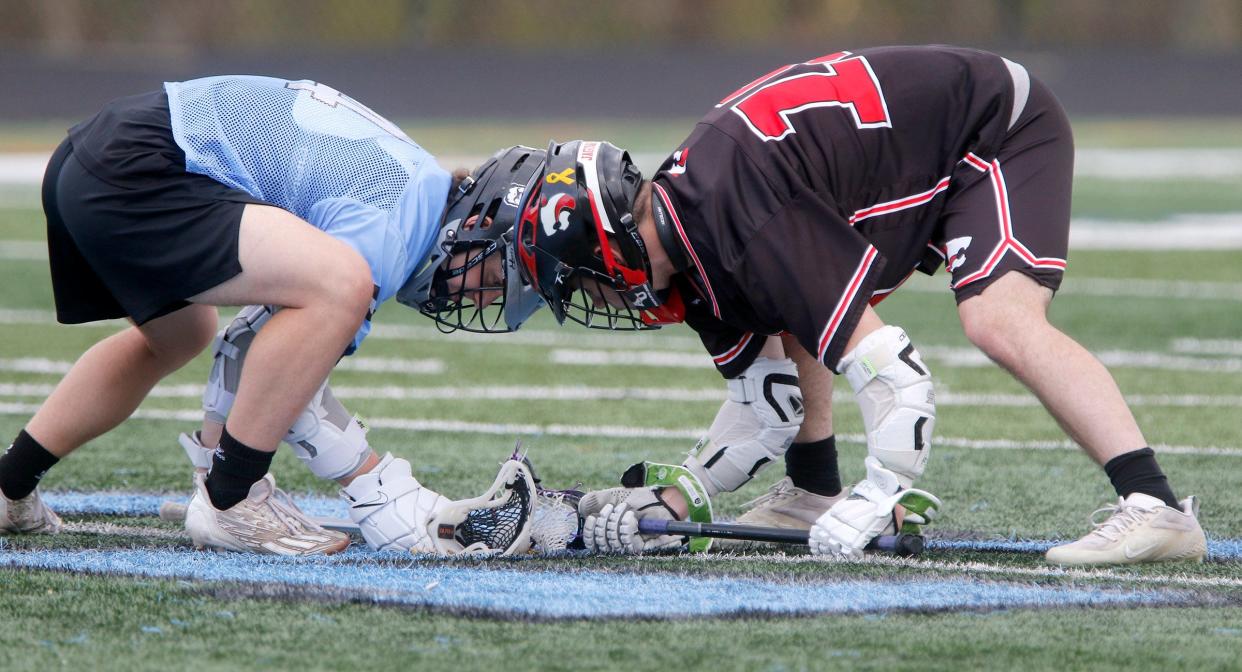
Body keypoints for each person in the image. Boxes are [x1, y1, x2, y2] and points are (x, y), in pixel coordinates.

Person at [509, 45, 1207, 565]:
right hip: (906, 152)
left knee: (998, 319)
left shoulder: (733, 210)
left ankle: (1156, 506)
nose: (593, 296)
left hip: (995, 128)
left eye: (583, 278)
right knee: (796, 306)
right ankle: (813, 488)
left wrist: (880, 495)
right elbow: (766, 402)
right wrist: (678, 497)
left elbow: (898, 379)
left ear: (610, 242)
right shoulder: (688, 234)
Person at [0, 75, 545, 556]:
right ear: (475, 228)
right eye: (496, 279)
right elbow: (255, 351)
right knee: (340, 285)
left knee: (178, 336)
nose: (483, 299)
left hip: (103, 155)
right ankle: (232, 501)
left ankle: (9, 485)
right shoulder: (390, 227)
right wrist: (372, 483)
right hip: (142, 166)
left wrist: (215, 456)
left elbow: (246, 353)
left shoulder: (414, 191)